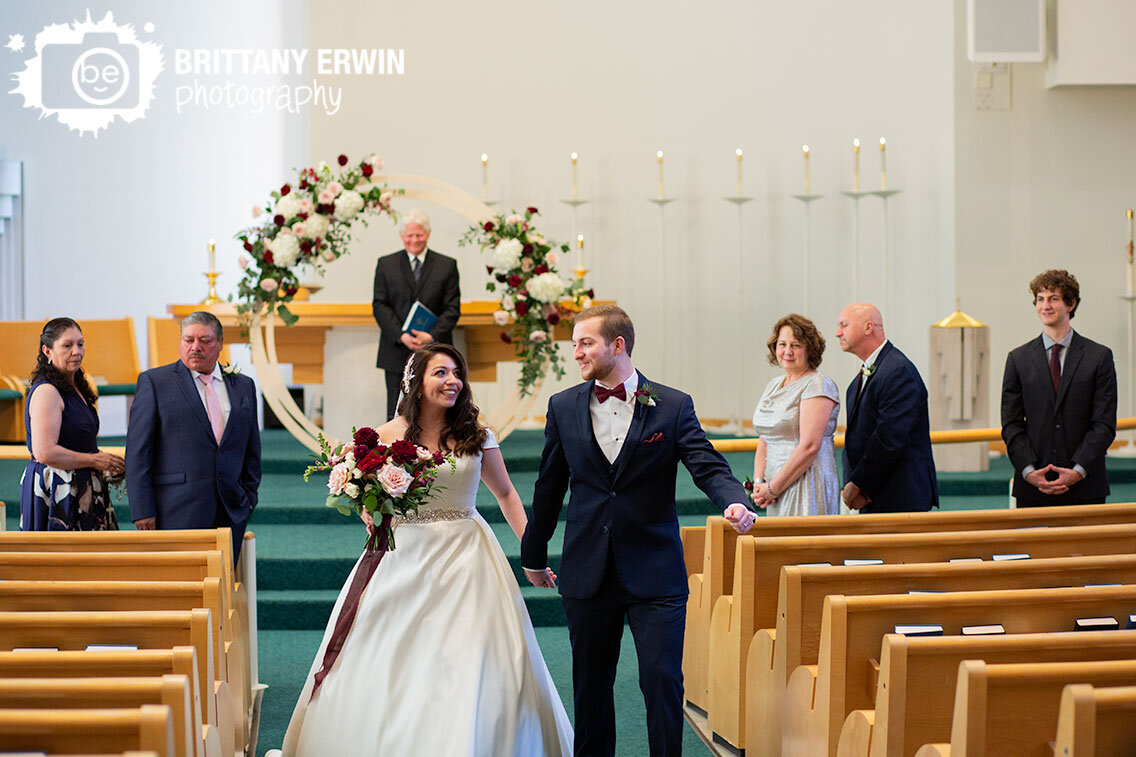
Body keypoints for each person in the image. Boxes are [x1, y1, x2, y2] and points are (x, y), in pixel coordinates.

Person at [282, 343, 572, 755]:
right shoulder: (382, 437)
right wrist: (370, 512)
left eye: (456, 373)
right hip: (404, 555)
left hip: (467, 554)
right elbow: (368, 497)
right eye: (440, 372)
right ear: (416, 383)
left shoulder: (477, 433)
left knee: (475, 655)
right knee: (391, 652)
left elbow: (506, 494)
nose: (452, 381)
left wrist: (533, 555)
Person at [521, 304, 756, 757]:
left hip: (655, 569)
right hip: (588, 570)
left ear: (618, 345)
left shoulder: (672, 405)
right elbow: (548, 487)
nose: (576, 354)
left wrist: (735, 500)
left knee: (662, 682)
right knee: (591, 688)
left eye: (585, 343)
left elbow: (706, 464)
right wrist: (534, 554)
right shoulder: (563, 406)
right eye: (575, 344)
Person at [126, 311, 261, 563]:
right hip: (176, 510)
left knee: (222, 588)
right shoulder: (155, 383)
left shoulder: (243, 386)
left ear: (220, 343)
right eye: (188, 340)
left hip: (230, 510)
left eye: (205, 340)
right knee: (179, 586)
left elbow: (251, 449)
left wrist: (248, 498)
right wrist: (142, 509)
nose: (195, 347)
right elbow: (138, 452)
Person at [1001, 269, 1117, 506]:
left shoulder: (1099, 357)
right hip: (1033, 487)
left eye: (1053, 298)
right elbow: (1011, 424)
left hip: (1086, 486)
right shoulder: (1018, 359)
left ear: (1071, 304)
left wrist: (1077, 470)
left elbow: (1103, 424)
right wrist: (1029, 471)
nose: (1046, 305)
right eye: (1040, 299)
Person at [19, 317, 123, 531]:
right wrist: (94, 460)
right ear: (47, 351)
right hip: (58, 488)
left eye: (80, 344)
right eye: (68, 345)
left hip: (81, 484)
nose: (77, 351)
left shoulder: (75, 386)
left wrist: (106, 464)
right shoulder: (47, 391)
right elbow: (45, 452)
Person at [836, 303, 938, 513]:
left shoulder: (898, 371)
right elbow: (854, 437)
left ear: (868, 327)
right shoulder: (866, 374)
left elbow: (889, 438)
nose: (838, 333)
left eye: (844, 325)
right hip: (872, 494)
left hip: (900, 496)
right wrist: (851, 483)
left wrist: (857, 485)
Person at [372, 208, 462, 420]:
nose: (414, 240)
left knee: (438, 410)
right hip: (396, 350)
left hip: (435, 351)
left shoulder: (446, 265)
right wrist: (401, 334)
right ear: (402, 236)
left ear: (428, 234)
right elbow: (380, 305)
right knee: (397, 411)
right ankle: (395, 451)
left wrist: (430, 336)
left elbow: (452, 308)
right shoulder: (386, 264)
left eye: (419, 235)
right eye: (409, 235)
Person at [750, 314, 841, 516]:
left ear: (810, 349)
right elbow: (765, 439)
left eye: (796, 345)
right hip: (774, 486)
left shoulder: (818, 385)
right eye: (782, 344)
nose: (787, 351)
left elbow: (810, 447)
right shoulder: (773, 385)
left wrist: (773, 488)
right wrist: (759, 483)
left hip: (806, 482)